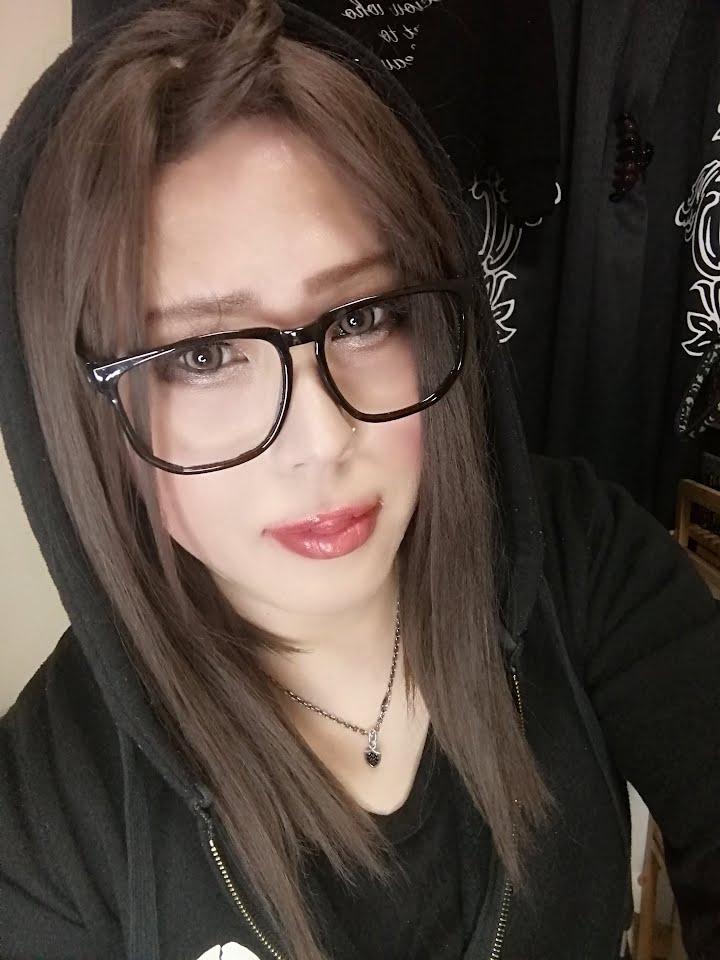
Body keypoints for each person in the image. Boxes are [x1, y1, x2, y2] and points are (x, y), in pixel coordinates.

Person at [0, 2, 718, 959]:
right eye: (204, 355)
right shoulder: (50, 815)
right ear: (85, 407)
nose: (321, 438)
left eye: (363, 316)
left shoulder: (583, 558)